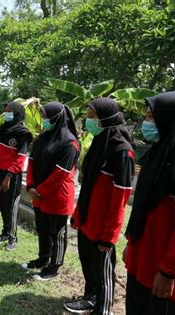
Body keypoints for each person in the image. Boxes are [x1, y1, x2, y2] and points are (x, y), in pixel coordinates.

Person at [63, 97, 134, 314]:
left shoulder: (121, 151)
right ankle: (90, 298)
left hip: (102, 226)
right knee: (88, 264)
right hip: (88, 220)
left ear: (105, 118)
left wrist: (109, 235)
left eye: (92, 117)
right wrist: (78, 214)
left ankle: (103, 308)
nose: (87, 121)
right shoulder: (98, 143)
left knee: (103, 270)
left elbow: (120, 198)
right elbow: (87, 187)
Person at [124, 92, 175, 315]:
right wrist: (132, 244)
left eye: (152, 117)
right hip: (144, 259)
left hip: (166, 274)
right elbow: (142, 207)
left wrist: (169, 271)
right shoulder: (158, 154)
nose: (147, 123)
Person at [21, 102, 79, 280]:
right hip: (38, 193)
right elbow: (32, 162)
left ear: (56, 117)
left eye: (46, 116)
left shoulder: (70, 142)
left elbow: (61, 172)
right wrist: (31, 186)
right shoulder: (42, 138)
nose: (43, 120)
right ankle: (43, 259)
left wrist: (41, 190)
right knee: (43, 229)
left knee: (57, 233)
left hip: (56, 195)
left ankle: (54, 267)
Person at [0, 101, 32, 251]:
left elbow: (20, 158)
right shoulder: (2, 129)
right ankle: (5, 233)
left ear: (17, 113)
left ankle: (13, 237)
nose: (6, 113)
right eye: (5, 110)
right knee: (3, 204)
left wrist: (9, 176)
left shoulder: (23, 133)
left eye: (9, 111)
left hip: (12, 175)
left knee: (12, 205)